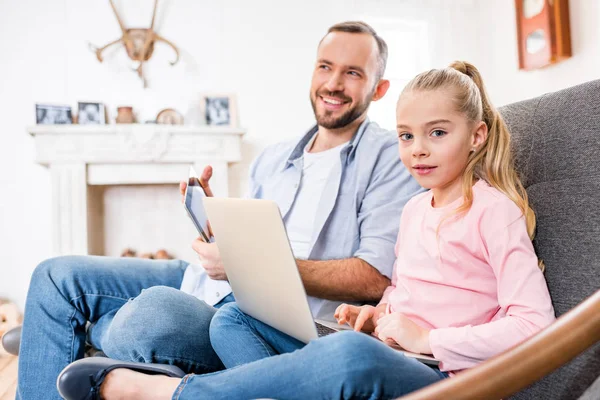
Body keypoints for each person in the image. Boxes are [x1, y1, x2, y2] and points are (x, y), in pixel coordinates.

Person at [67, 61, 556, 400]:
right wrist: (374, 314)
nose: (418, 150)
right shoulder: (413, 210)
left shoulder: (495, 212)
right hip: (397, 354)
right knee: (233, 319)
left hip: (452, 377)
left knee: (346, 355)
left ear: (477, 136)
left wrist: (432, 339)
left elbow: (535, 325)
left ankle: (173, 392)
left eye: (437, 133)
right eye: (406, 136)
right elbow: (404, 296)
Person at [19, 21, 422, 400]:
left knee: (147, 317)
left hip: (259, 322)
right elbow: (249, 240)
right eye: (325, 67)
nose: (333, 83)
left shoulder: (391, 156)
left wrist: (250, 266)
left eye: (353, 73)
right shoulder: (275, 156)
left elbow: (374, 277)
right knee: (55, 277)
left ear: (380, 88)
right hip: (206, 285)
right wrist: (218, 230)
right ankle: (87, 340)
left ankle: (70, 335)